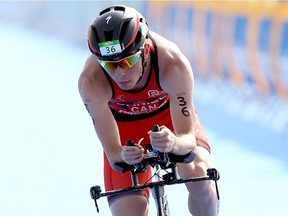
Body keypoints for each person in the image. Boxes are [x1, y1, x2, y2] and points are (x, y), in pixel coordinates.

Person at [78, 5, 218, 216]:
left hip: (170, 121)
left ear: (144, 50)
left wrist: (173, 142)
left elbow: (187, 139)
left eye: (127, 61)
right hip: (125, 134)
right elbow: (114, 154)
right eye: (109, 65)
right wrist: (122, 155)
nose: (119, 73)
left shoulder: (173, 64)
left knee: (200, 179)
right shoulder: (91, 81)